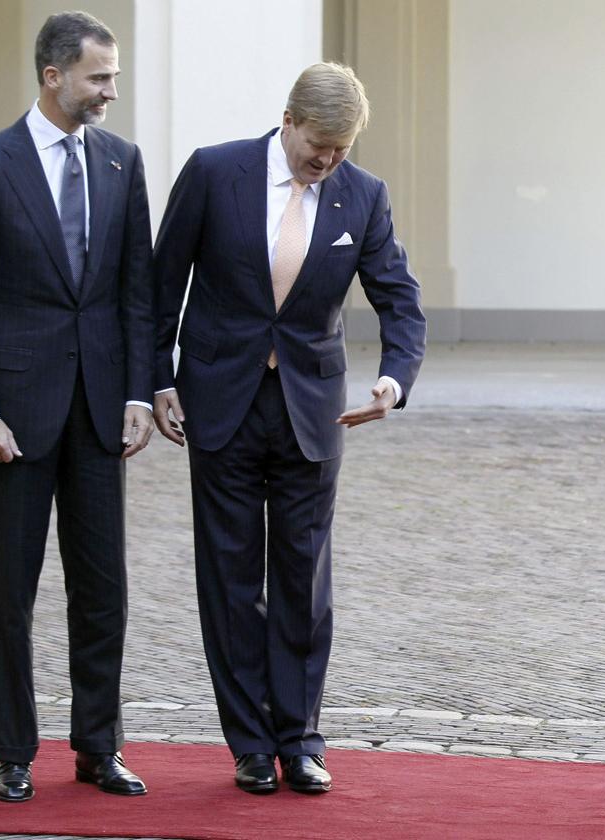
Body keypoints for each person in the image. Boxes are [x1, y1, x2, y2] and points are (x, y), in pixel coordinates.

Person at [152, 62, 426, 796]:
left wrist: (393, 381)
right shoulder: (215, 173)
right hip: (220, 404)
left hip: (312, 411)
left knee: (304, 582)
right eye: (319, 145)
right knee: (232, 578)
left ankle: (301, 739)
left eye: (341, 148)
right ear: (289, 119)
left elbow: (400, 298)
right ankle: (248, 743)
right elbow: (160, 286)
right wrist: (159, 381)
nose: (327, 160)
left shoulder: (363, 196)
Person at [0, 11, 154, 803]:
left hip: (100, 411)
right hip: (14, 420)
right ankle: (13, 754)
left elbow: (138, 292)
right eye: (100, 77)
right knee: (13, 592)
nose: (111, 91)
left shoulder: (124, 164)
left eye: (115, 76)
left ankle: (100, 747)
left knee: (104, 591)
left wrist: (137, 391)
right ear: (53, 76)